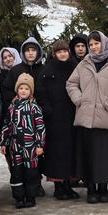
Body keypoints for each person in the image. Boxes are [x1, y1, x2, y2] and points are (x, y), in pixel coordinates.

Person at [66, 31, 108, 204]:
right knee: (87, 155)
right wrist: (79, 99)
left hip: (104, 118)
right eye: (91, 44)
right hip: (85, 118)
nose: (94, 47)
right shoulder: (84, 64)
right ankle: (91, 189)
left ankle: (103, 189)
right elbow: (71, 83)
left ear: (104, 43)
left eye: (96, 43)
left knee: (102, 156)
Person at [36, 40, 79, 200]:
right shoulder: (47, 71)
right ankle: (58, 186)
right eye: (59, 51)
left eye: (65, 51)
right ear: (54, 53)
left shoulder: (75, 68)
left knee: (71, 152)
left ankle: (68, 183)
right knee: (56, 153)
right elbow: (41, 93)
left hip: (73, 118)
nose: (62, 54)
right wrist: (49, 111)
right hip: (54, 120)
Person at [1, 73, 46, 208]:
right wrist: (4, 142)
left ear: (30, 91)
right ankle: (19, 197)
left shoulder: (34, 107)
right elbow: (6, 126)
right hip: (15, 147)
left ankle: (31, 197)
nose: (23, 91)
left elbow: (40, 128)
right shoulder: (12, 107)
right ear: (17, 90)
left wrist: (39, 145)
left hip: (30, 147)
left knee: (30, 173)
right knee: (16, 173)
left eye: (26, 89)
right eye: (21, 88)